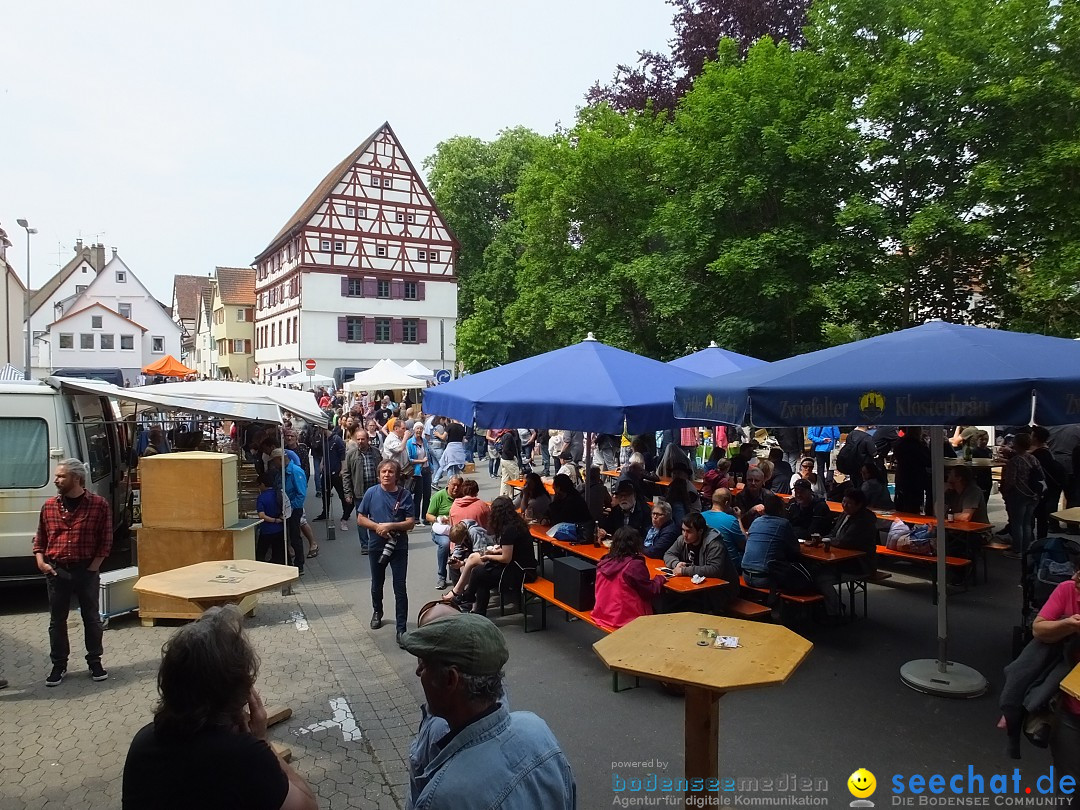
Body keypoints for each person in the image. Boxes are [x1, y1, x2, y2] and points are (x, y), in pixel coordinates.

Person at [121, 606, 318, 810]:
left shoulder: (142, 744)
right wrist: (261, 740)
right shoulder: (244, 756)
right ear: (239, 691)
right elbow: (308, 805)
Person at [400, 613, 577, 809]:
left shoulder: (442, 798)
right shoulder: (537, 729)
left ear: (451, 679)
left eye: (424, 665)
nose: (418, 673)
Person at [33, 458, 112, 687]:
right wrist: (41, 562)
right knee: (57, 621)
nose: (56, 480)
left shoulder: (98, 505)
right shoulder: (49, 506)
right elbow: (40, 539)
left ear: (76, 478)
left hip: (86, 570)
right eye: (57, 476)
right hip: (57, 571)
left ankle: (94, 661)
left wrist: (93, 567)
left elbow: (106, 540)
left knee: (92, 619)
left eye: (61, 476)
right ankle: (59, 665)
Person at [355, 459, 415, 643]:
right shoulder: (371, 493)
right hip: (376, 545)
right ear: (379, 474)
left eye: (390, 472)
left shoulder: (405, 495)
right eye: (384, 472)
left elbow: (410, 522)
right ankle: (377, 610)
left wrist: (391, 525)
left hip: (398, 547)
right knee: (377, 583)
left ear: (396, 476)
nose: (387, 475)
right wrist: (377, 527)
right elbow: (360, 518)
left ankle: (401, 628)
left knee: (399, 587)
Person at [1031, 570, 1080, 788]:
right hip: (1071, 708)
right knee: (1070, 784)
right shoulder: (1067, 590)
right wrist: (1068, 624)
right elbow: (1039, 629)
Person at [458, 496, 537, 617]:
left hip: (521, 572)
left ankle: (468, 596)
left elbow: (506, 558)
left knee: (478, 572)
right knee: (481, 578)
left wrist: (488, 557)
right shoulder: (516, 523)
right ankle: (479, 612)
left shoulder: (508, 529)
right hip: (523, 566)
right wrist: (493, 553)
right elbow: (509, 548)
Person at [812, 488, 878, 617]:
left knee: (821, 578)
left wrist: (827, 540)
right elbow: (834, 533)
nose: (844, 505)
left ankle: (835, 611)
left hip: (859, 563)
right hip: (841, 558)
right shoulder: (845, 514)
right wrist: (825, 539)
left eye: (849, 503)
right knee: (811, 570)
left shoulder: (864, 520)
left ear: (859, 505)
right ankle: (822, 607)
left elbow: (844, 541)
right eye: (843, 501)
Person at [592, 527, 667, 631]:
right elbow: (650, 591)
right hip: (626, 619)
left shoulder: (604, 561)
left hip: (602, 614)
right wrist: (660, 579)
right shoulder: (634, 565)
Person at [662, 512, 738, 610]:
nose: (685, 535)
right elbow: (668, 554)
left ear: (700, 531)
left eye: (689, 531)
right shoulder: (683, 540)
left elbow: (715, 569)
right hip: (697, 588)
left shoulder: (714, 544)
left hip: (720, 590)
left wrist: (684, 571)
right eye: (683, 530)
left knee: (681, 605)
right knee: (668, 598)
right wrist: (676, 564)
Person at [740, 494, 801, 590]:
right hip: (764, 577)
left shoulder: (756, 521)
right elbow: (796, 549)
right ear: (781, 510)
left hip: (745, 574)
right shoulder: (783, 524)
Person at [1001, 432, 1042, 558]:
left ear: (1016, 444)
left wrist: (1005, 492)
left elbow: (1010, 481)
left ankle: (1017, 550)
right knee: (1027, 522)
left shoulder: (1014, 461)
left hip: (1018, 494)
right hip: (1033, 494)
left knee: (1017, 523)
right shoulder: (1033, 458)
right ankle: (1025, 549)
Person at [343, 427, 381, 555]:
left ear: (368, 439)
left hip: (375, 491)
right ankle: (365, 545)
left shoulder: (376, 452)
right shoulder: (351, 454)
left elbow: (381, 469)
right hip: (359, 492)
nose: (360, 441)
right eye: (358, 439)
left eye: (362, 439)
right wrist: (348, 493)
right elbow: (346, 474)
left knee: (376, 518)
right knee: (362, 520)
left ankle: (376, 542)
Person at [269, 449, 307, 576]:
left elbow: (301, 494)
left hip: (293, 509)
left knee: (294, 536)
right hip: (284, 507)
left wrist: (289, 508)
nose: (273, 464)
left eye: (274, 461)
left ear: (279, 459)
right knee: (284, 536)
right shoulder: (280, 472)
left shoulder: (295, 472)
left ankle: (299, 564)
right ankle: (287, 562)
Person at [1032, 426, 1069, 540]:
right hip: (1051, 485)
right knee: (1042, 513)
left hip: (1043, 488)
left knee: (1040, 513)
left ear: (1036, 438)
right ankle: (1042, 538)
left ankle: (1040, 539)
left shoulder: (1039, 454)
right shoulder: (1047, 451)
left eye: (1032, 435)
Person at [426, 476, 462, 590]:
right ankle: (442, 576)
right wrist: (439, 519)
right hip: (441, 530)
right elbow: (428, 516)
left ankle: (460, 574)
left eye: (458, 486)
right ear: (448, 485)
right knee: (446, 544)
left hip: (457, 530)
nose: (456, 488)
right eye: (453, 485)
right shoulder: (439, 496)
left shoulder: (462, 496)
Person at [702, 488, 746, 572]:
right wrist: (738, 518)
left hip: (706, 560)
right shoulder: (731, 520)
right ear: (726, 503)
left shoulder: (700, 516)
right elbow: (743, 544)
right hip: (729, 565)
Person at [314, 426, 347, 530]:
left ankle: (345, 514)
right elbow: (324, 452)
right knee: (325, 493)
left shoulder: (337, 439)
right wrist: (322, 463)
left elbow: (343, 454)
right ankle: (325, 512)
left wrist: (342, 469)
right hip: (327, 471)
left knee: (342, 493)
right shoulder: (324, 439)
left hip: (336, 471)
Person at [892, 427, 931, 514]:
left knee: (901, 502)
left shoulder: (899, 443)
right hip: (915, 478)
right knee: (913, 505)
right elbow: (927, 460)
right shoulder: (918, 445)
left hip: (901, 475)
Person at [255, 473, 288, 563]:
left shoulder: (261, 497)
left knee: (260, 555)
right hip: (280, 529)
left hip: (266, 530)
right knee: (279, 554)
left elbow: (262, 515)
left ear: (262, 484)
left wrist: (274, 521)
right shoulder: (278, 494)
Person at [407, 423, 433, 525]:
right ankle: (416, 517)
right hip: (417, 471)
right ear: (414, 430)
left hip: (426, 470)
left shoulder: (424, 441)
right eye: (417, 428)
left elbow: (428, 454)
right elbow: (409, 459)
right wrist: (421, 461)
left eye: (421, 428)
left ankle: (425, 516)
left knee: (427, 494)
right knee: (418, 495)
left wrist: (430, 466)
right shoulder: (410, 442)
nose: (419, 430)